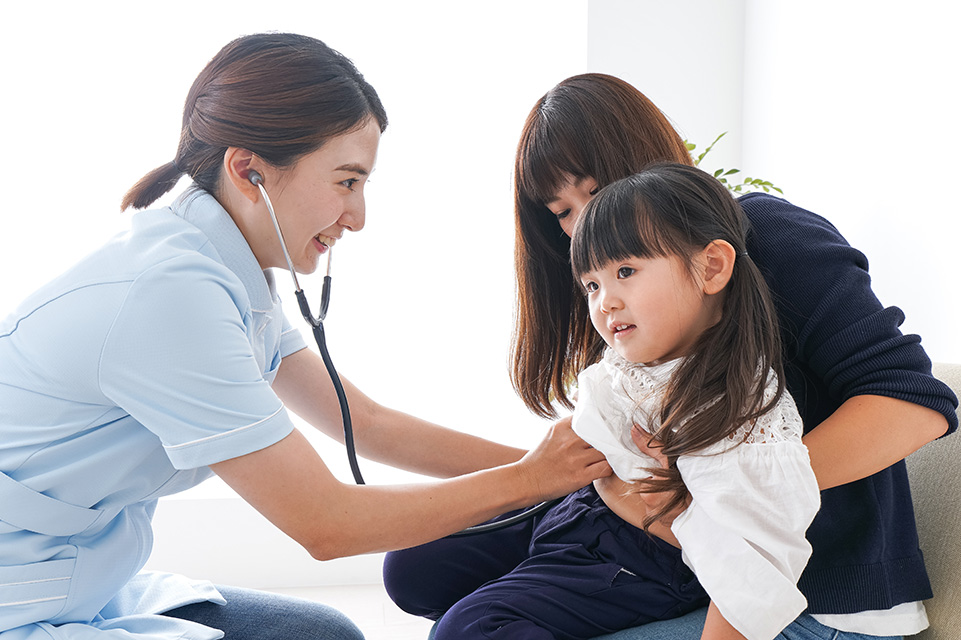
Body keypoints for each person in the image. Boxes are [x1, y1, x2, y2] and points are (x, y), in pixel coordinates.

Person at [0, 35, 611, 640]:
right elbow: (325, 524)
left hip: (81, 580)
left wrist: (580, 472)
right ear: (250, 171)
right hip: (20, 595)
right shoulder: (168, 295)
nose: (359, 216)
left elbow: (364, 423)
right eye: (347, 181)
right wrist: (534, 481)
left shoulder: (224, 268)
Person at [383, 73, 958, 639]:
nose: (585, 222)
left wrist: (712, 485)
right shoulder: (616, 288)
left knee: (471, 627)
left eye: (598, 189)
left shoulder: (767, 236)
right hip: (631, 518)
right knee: (416, 569)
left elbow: (913, 400)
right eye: (561, 211)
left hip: (789, 576)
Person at [424, 163, 822, 639]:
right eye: (592, 285)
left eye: (626, 271)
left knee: (470, 630)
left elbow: (754, 562)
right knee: (418, 564)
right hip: (581, 509)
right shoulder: (646, 355)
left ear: (711, 267)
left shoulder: (738, 407)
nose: (604, 302)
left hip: (639, 558)